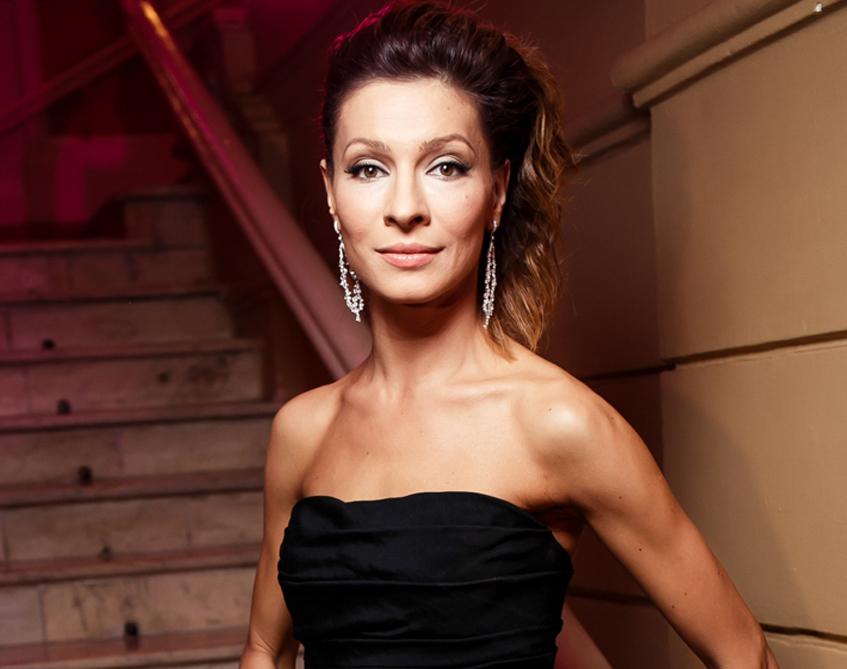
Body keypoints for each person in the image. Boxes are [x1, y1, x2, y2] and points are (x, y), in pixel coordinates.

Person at [240, 1, 780, 668]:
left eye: (446, 166)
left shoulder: (558, 423)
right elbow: (264, 648)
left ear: (496, 191)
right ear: (331, 191)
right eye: (368, 168)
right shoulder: (302, 431)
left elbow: (743, 651)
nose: (404, 208)